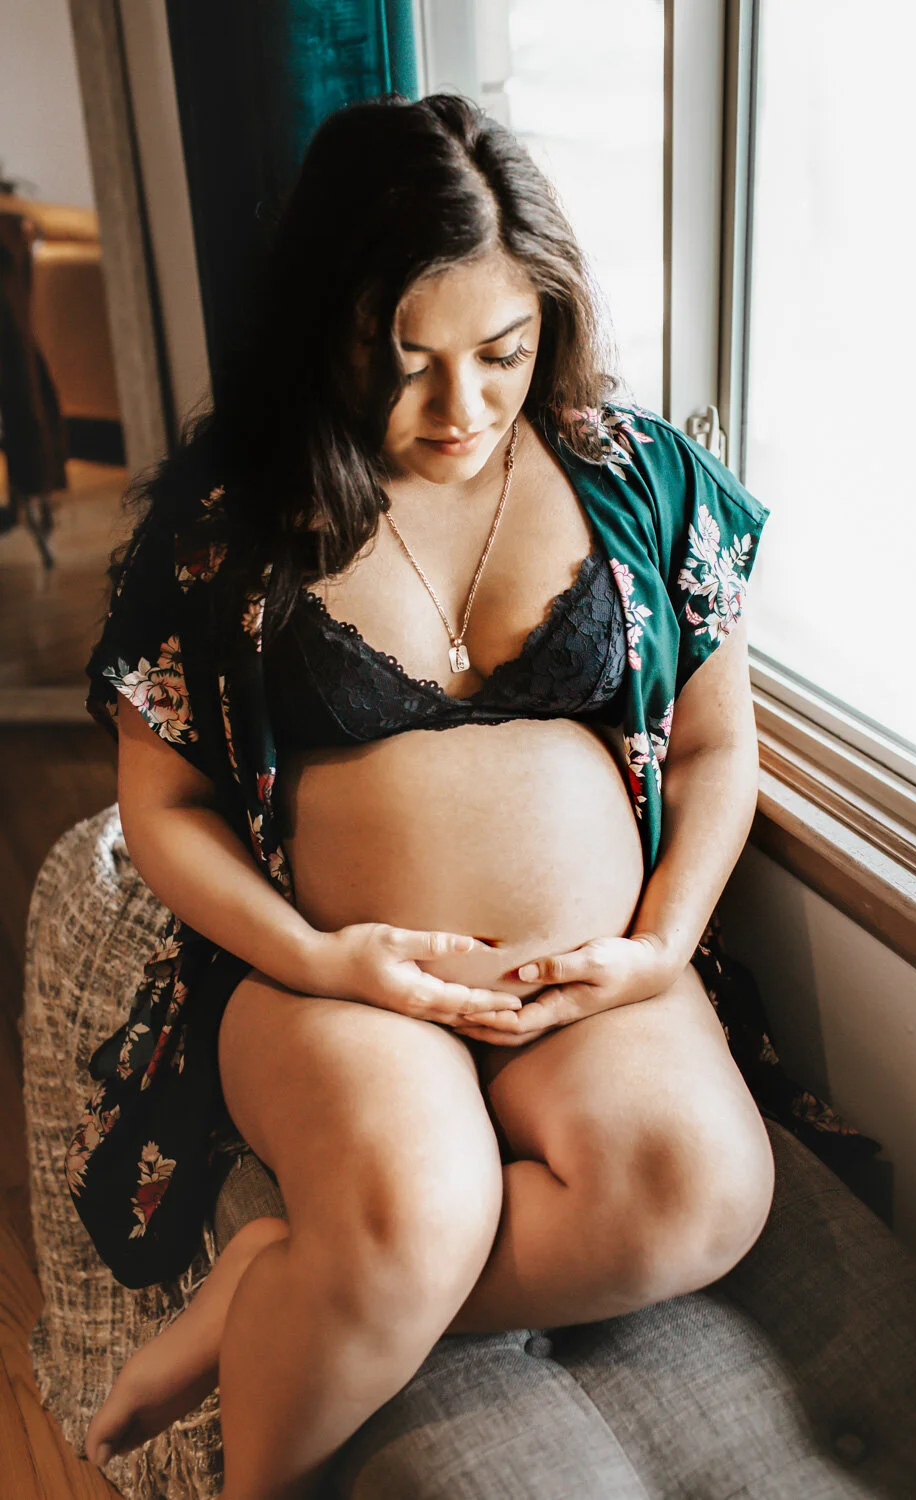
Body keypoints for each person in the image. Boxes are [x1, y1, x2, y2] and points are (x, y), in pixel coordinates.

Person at [69, 93, 874, 1498]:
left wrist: (658, 952)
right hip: (331, 985)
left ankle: (280, 1279)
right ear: (330, 326)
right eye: (409, 361)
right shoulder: (229, 516)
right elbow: (168, 812)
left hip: (586, 982)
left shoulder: (640, 481)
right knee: (412, 1212)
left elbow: (710, 748)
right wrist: (325, 956)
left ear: (547, 322)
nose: (461, 409)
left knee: (701, 1192)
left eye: (502, 353)